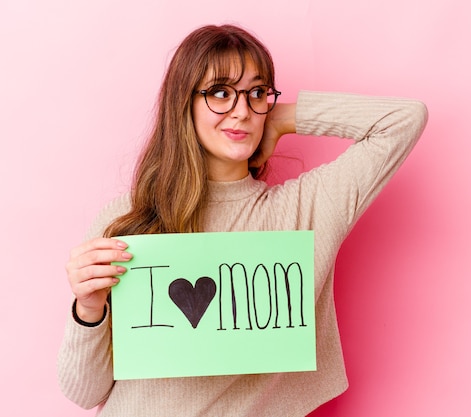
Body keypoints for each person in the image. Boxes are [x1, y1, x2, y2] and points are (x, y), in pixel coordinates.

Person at [58, 24, 428, 416]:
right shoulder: (128, 221)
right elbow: (83, 392)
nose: (241, 110)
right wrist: (89, 309)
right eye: (220, 92)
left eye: (256, 92)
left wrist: (284, 118)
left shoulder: (306, 210)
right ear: (183, 103)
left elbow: (405, 119)